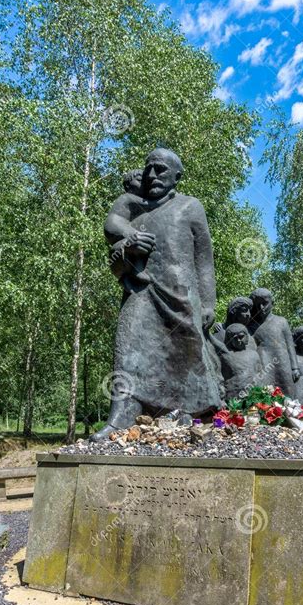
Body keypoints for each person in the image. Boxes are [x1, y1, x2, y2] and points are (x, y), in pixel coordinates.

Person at [90, 148, 222, 441]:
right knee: (127, 350)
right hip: (141, 293)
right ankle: (121, 417)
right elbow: (115, 258)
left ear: (177, 176)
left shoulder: (191, 207)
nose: (152, 175)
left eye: (160, 169)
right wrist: (127, 249)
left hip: (180, 296)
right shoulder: (134, 212)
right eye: (148, 168)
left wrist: (209, 302)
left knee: (186, 355)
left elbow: (205, 260)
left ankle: (191, 417)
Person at [248, 288, 300, 397]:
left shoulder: (281, 321)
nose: (261, 308)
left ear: (272, 303)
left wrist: (295, 367)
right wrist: (222, 327)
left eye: (264, 303)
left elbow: (290, 345)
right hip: (263, 364)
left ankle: (292, 413)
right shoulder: (250, 325)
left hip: (282, 362)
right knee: (265, 393)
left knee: (287, 392)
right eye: (257, 305)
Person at [209, 323, 263, 401]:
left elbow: (260, 374)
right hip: (234, 398)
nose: (238, 340)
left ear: (247, 336)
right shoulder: (226, 354)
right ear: (229, 340)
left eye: (241, 337)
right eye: (234, 338)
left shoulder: (254, 354)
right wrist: (208, 330)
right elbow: (214, 342)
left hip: (254, 396)